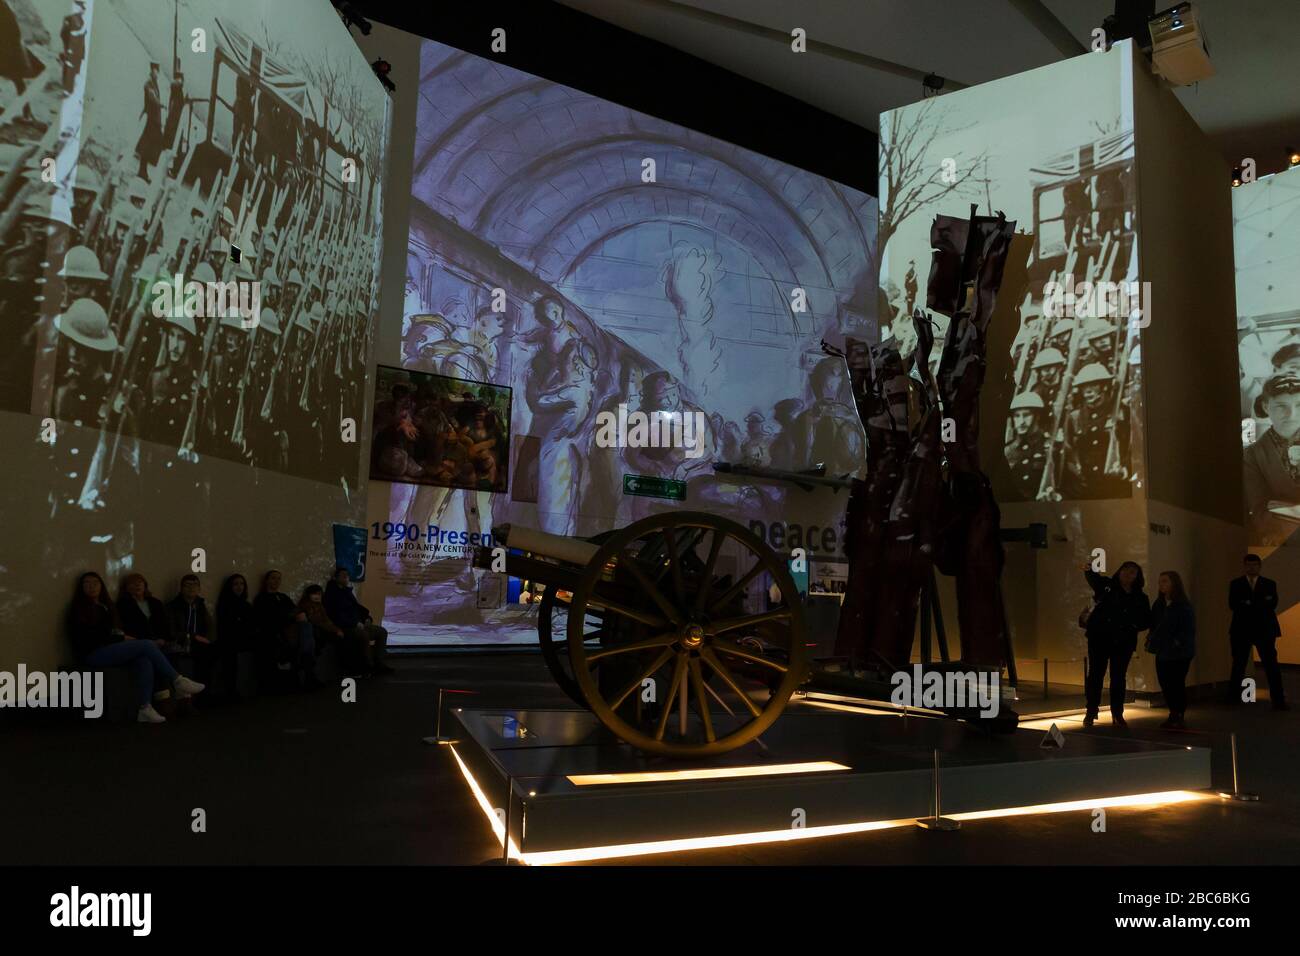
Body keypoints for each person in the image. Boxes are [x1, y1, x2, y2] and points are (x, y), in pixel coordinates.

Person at [68, 572, 203, 723]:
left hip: (111, 647)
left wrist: (120, 636)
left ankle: (145, 707)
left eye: (95, 583)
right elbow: (91, 637)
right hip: (93, 652)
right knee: (147, 644)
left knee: (144, 659)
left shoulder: (106, 606)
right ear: (81, 587)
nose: (92, 586)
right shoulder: (79, 609)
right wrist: (120, 637)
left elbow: (114, 630)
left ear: (101, 586)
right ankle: (178, 681)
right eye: (87, 583)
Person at [1081, 560, 1152, 727]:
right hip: (1100, 638)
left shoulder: (1140, 597)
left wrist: (1131, 625)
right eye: (1125, 570)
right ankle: (1091, 711)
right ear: (1119, 571)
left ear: (1137, 576)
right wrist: (1088, 568)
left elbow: (1146, 619)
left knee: (1117, 677)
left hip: (1122, 641)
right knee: (1096, 675)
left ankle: (1117, 713)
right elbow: (1093, 578)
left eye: (1132, 572)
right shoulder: (1107, 586)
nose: (1128, 574)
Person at [1228, 554, 1289, 710]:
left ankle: (1278, 699)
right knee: (1239, 664)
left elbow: (1272, 603)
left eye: (1254, 565)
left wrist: (1248, 604)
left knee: (1270, 665)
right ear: (1245, 566)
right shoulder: (1236, 584)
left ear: (1259, 566)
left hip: (1262, 629)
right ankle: (1233, 697)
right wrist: (1258, 604)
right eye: (1249, 565)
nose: (1251, 567)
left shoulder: (1269, 584)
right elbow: (1234, 604)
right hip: (1245, 629)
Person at [254, 570, 318, 689]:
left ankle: (306, 660)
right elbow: (267, 618)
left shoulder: (283, 597)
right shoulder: (262, 598)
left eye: (279, 579)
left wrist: (300, 614)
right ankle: (308, 669)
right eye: (273, 578)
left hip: (292, 628)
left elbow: (295, 610)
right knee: (306, 632)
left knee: (306, 627)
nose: (276, 581)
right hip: (278, 629)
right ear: (267, 580)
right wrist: (291, 617)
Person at [1148, 571, 1196, 729]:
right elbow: (1154, 624)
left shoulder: (1182, 605)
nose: (1161, 585)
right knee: (1166, 683)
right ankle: (1173, 712)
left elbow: (1187, 628)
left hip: (1179, 652)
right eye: (1160, 582)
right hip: (1163, 650)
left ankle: (1178, 713)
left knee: (1176, 683)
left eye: (1165, 582)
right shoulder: (1159, 604)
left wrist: (1177, 642)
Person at [324, 566, 393, 675]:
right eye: (343, 576)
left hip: (358, 623)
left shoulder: (347, 592)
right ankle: (368, 665)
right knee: (363, 635)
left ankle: (379, 662)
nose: (346, 578)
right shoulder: (332, 595)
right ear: (335, 578)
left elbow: (356, 608)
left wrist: (366, 618)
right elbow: (337, 615)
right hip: (346, 627)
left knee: (381, 632)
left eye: (347, 576)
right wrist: (355, 623)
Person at [169, 574, 219, 696]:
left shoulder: (201, 605)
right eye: (187, 585)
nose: (191, 588)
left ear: (199, 589)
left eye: (194, 585)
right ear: (181, 588)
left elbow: (210, 626)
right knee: (205, 654)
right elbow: (171, 631)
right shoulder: (173, 606)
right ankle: (202, 694)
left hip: (201, 642)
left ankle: (209, 691)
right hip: (183, 642)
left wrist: (209, 639)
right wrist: (192, 636)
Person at [297, 584, 363, 676]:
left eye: (319, 594)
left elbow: (327, 620)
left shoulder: (320, 606)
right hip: (317, 631)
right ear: (309, 594)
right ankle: (349, 668)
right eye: (315, 594)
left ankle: (352, 667)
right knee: (344, 641)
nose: (317, 596)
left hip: (323, 629)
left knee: (348, 638)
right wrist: (336, 630)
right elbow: (316, 621)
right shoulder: (306, 605)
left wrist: (336, 629)